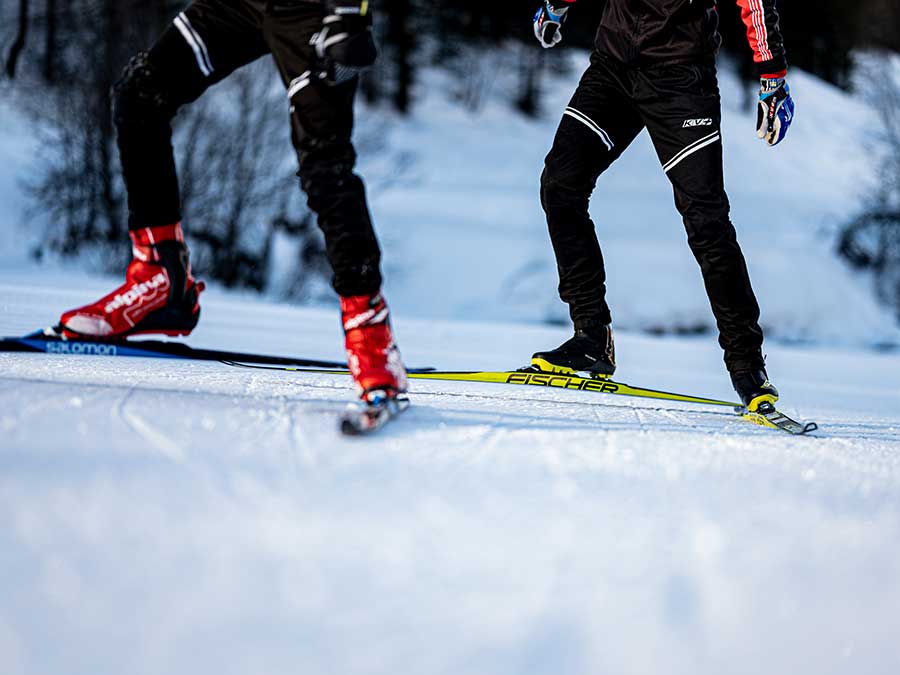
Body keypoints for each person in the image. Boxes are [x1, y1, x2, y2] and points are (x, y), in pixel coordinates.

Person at [58, 0, 407, 403]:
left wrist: (349, 13)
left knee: (323, 163)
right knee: (141, 95)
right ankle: (159, 278)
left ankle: (370, 332)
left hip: (314, 12)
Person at [530, 0, 795, 411]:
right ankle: (590, 338)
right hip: (613, 69)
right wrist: (556, 6)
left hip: (681, 81)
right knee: (560, 186)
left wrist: (772, 74)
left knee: (706, 221)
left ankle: (747, 367)